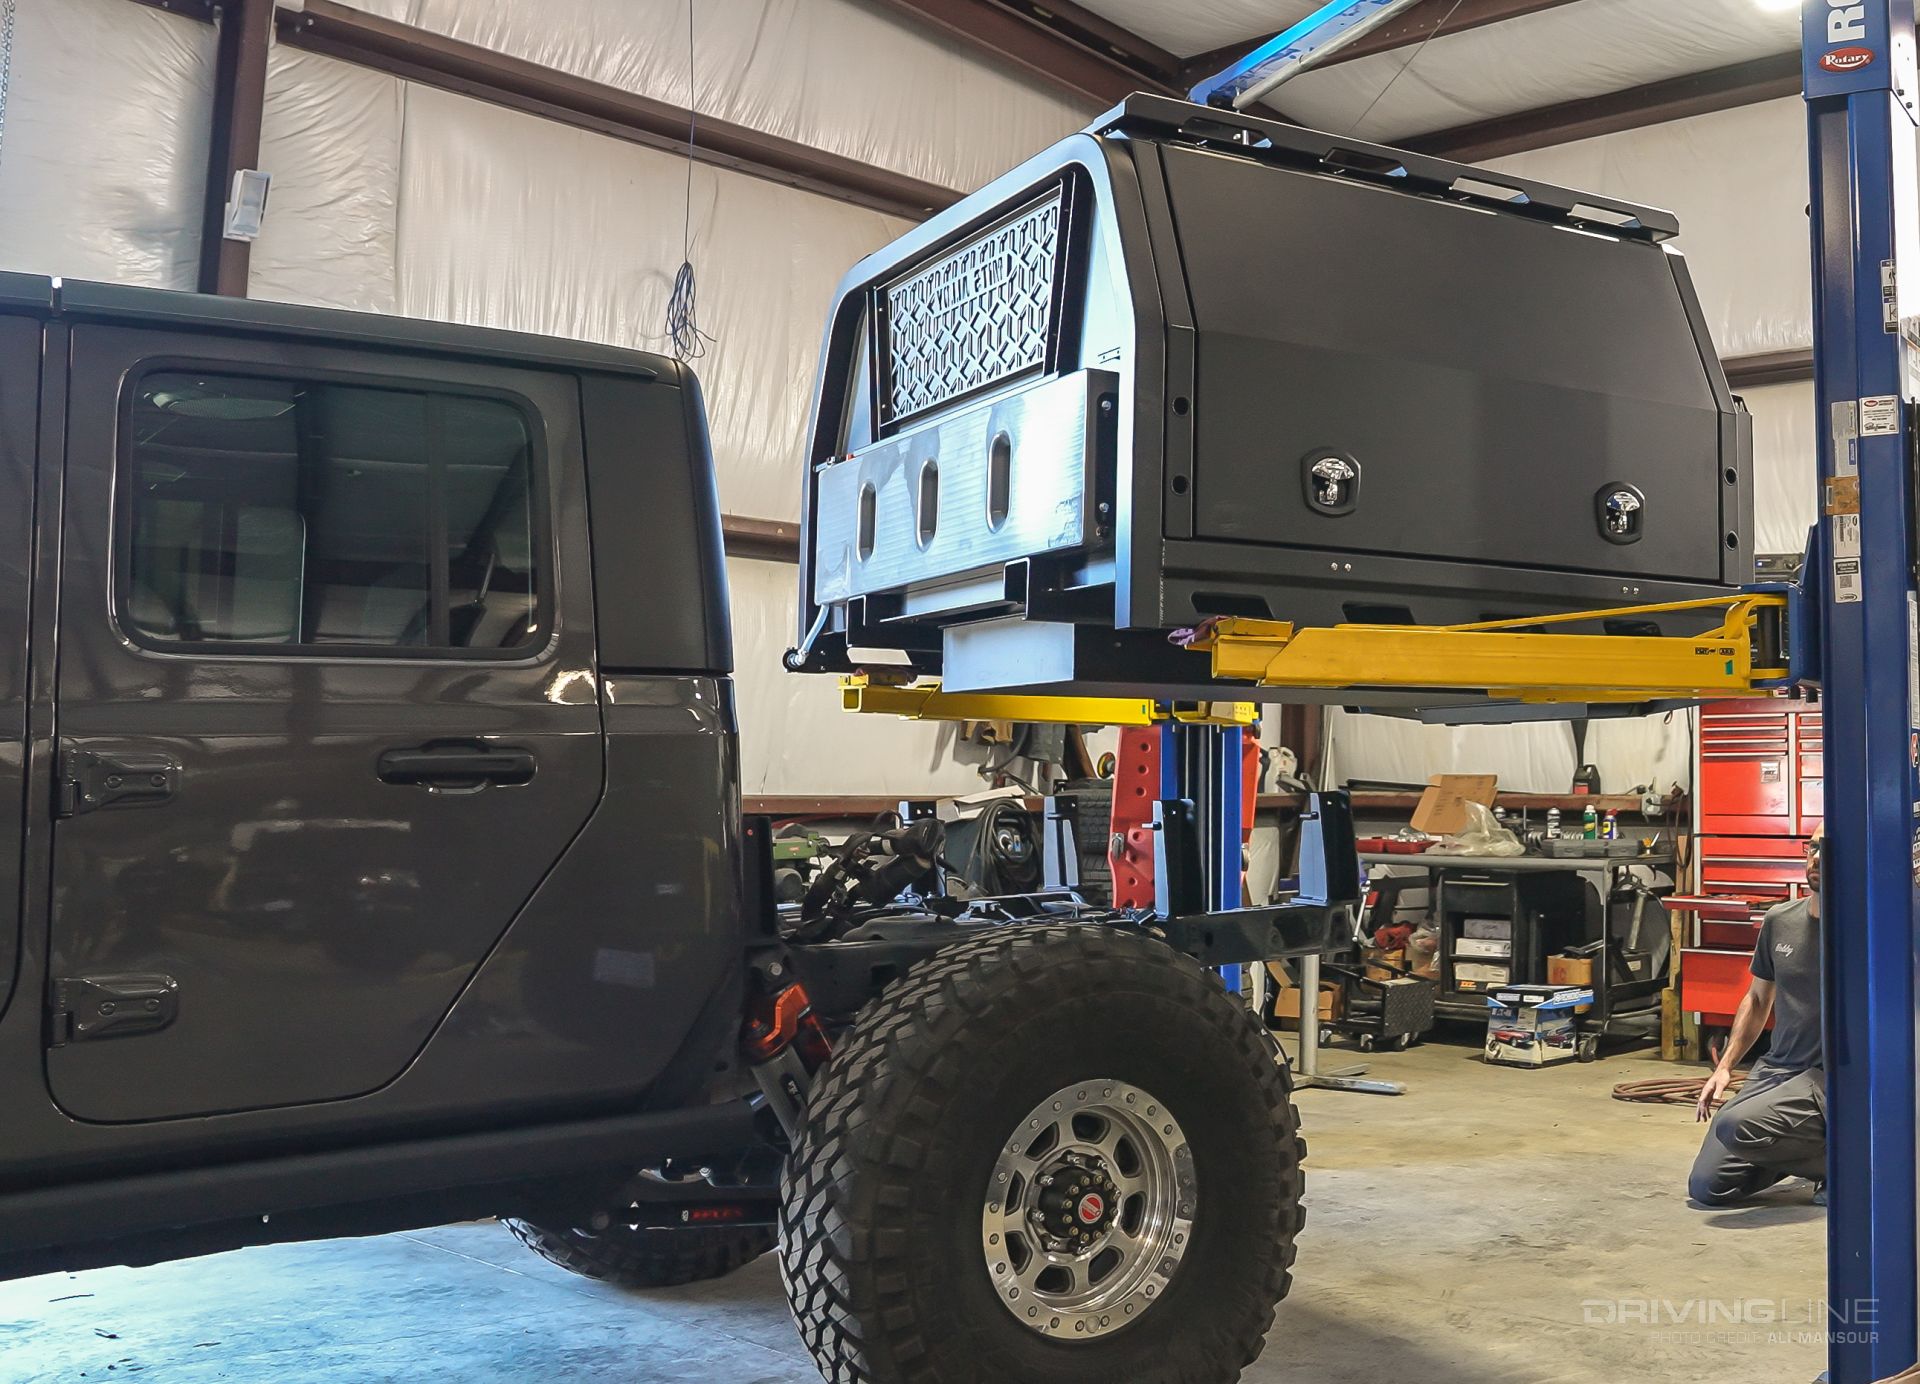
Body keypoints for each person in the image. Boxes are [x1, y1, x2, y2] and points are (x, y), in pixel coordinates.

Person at [1687, 830, 1825, 1207]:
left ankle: (1843, 1167)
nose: (1816, 857)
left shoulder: (1868, 929)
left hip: (1829, 1077)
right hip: (1779, 1068)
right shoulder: (1780, 920)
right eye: (1813, 847)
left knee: (1736, 1125)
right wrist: (1725, 1067)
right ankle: (1823, 1163)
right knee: (1708, 1186)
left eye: (1828, 849)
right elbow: (1758, 997)